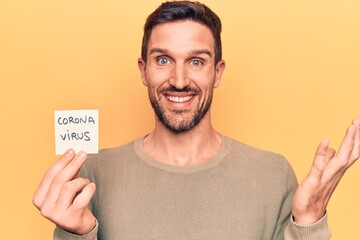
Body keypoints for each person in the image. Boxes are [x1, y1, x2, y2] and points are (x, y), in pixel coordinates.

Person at [33, 1, 360, 239]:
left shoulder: (272, 174)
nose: (178, 79)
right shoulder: (91, 174)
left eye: (196, 61)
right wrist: (77, 234)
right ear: (143, 70)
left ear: (217, 73)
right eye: (163, 59)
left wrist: (308, 223)